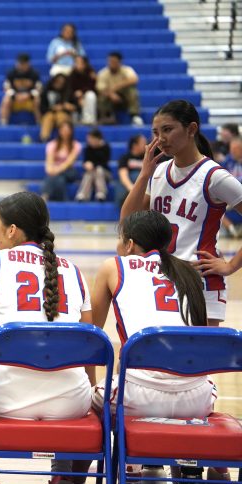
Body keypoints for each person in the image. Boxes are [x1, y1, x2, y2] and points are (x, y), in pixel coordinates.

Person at [89, 210, 230, 484]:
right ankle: (191, 478)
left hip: (138, 397)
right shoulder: (189, 272)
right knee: (196, 394)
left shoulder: (113, 267)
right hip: (196, 398)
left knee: (86, 400)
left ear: (128, 244)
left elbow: (91, 337)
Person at [0, 191, 94, 484]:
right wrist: (86, 393)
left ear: (11, 230)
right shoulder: (75, 272)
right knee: (88, 391)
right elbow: (91, 345)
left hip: (6, 399)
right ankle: (64, 478)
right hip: (71, 403)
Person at [120, 99, 242, 326]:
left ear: (191, 129)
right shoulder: (157, 173)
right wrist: (144, 175)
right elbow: (127, 222)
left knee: (202, 357)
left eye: (167, 129)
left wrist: (231, 266)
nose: (161, 138)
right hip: (160, 278)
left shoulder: (213, 175)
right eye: (156, 132)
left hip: (200, 280)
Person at [96, 52, 142, 126]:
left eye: (114, 62)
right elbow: (100, 88)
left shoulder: (127, 69)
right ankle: (106, 116)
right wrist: (111, 94)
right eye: (110, 61)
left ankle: (134, 116)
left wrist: (116, 87)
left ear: (120, 62)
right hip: (109, 98)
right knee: (101, 96)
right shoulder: (103, 73)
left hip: (124, 97)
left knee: (132, 90)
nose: (111, 64)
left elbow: (134, 79)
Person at [0, 53, 41, 126]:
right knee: (6, 100)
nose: (21, 65)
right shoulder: (11, 73)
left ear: (28, 63)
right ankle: (3, 122)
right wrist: (15, 95)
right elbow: (6, 87)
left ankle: (39, 122)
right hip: (15, 100)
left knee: (38, 100)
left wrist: (28, 95)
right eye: (20, 63)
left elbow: (38, 88)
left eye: (24, 63)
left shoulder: (34, 74)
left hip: (29, 99)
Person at [42, 120, 81, 202]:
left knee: (55, 176)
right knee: (60, 180)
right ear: (59, 131)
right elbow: (49, 161)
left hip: (69, 171)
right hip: (56, 171)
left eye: (67, 130)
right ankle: (64, 200)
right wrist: (50, 170)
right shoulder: (52, 144)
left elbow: (68, 162)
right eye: (63, 130)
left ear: (71, 131)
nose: (65, 132)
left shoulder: (76, 145)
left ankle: (45, 195)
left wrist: (55, 171)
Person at [75, 128, 110, 202]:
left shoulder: (106, 147)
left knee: (98, 170)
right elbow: (85, 161)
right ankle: (83, 194)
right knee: (89, 173)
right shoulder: (88, 148)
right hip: (90, 172)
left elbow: (104, 163)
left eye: (91, 139)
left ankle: (101, 193)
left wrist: (93, 165)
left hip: (104, 172)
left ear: (97, 139)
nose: (89, 141)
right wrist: (86, 165)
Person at [39, 73, 75, 142]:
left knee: (61, 116)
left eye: (61, 82)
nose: (59, 84)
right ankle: (44, 138)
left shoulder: (68, 92)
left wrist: (66, 107)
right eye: (57, 82)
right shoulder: (46, 91)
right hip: (49, 112)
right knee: (48, 117)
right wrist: (52, 108)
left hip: (64, 113)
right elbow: (42, 107)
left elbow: (74, 106)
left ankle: (64, 139)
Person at [114, 134, 147, 207]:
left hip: (144, 186)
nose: (146, 145)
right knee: (132, 177)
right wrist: (132, 189)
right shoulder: (125, 157)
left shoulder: (148, 157)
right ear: (135, 145)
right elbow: (123, 175)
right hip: (129, 187)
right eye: (143, 143)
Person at [67, 55, 97, 125]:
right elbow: (69, 90)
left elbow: (92, 87)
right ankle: (75, 120)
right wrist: (77, 97)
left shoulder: (91, 74)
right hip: (74, 98)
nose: (78, 65)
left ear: (85, 64)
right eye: (76, 62)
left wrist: (82, 93)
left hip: (86, 95)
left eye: (80, 63)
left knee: (91, 95)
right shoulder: (71, 75)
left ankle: (89, 120)